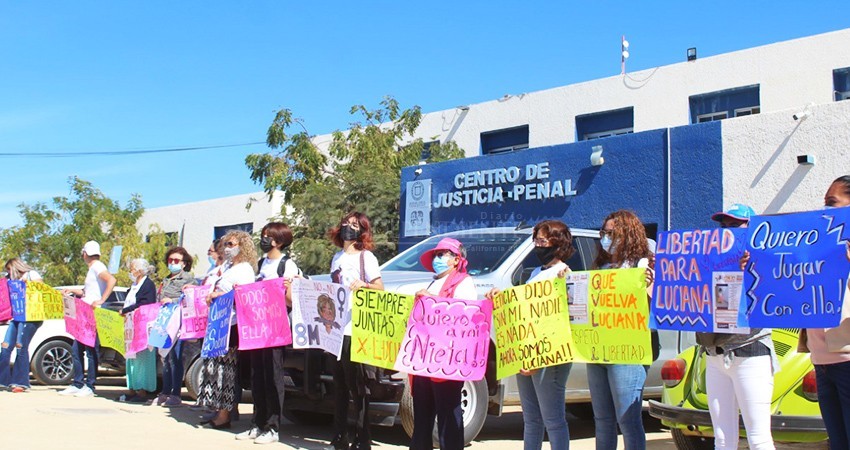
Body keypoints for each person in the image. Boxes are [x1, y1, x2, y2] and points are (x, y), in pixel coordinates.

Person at [485, 220, 574, 450]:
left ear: (557, 243)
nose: (537, 246)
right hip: (526, 353)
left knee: (553, 420)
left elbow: (560, 320)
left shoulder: (564, 274)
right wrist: (501, 296)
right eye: (536, 241)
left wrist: (538, 359)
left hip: (549, 356)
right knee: (531, 419)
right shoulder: (534, 273)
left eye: (542, 241)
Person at [700, 204, 776, 450]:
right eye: (723, 225)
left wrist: (748, 271)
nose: (727, 231)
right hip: (715, 354)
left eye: (735, 225)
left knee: (759, 436)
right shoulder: (711, 261)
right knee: (722, 437)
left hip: (749, 351)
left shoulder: (764, 261)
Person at [587, 211, 655, 450]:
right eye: (603, 233)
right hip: (598, 351)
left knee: (628, 420)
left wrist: (648, 286)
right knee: (602, 421)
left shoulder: (642, 265)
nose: (606, 238)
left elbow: (655, 309)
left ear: (627, 234)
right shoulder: (599, 267)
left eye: (612, 233)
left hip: (627, 353)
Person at [795, 176, 850, 448]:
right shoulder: (817, 248)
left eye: (832, 203)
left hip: (847, 360)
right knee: (837, 441)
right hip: (822, 361)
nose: (825, 210)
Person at [236, 222, 300, 445]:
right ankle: (257, 423)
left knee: (273, 377)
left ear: (279, 241)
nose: (264, 241)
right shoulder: (261, 263)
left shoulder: (287, 265)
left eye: (268, 237)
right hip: (256, 329)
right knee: (257, 376)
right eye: (263, 236)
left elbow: (292, 299)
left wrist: (283, 287)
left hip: (276, 330)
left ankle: (273, 427)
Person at [410, 237, 477, 450]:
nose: (437, 259)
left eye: (442, 255)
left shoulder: (464, 283)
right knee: (422, 417)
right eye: (436, 255)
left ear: (456, 260)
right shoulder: (433, 281)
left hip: (447, 362)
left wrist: (431, 301)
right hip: (425, 359)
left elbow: (463, 315)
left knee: (448, 417)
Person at [327, 212, 383, 450]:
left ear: (362, 232)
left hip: (356, 328)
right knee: (339, 385)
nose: (348, 228)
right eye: (346, 224)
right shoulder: (336, 257)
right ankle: (339, 435)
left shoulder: (366, 257)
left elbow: (380, 289)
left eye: (354, 225)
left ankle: (363, 437)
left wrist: (365, 285)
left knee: (358, 386)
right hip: (337, 329)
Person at [198, 230, 256, 430]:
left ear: (243, 246)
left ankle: (225, 415)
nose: (228, 248)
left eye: (231, 244)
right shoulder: (229, 268)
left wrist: (220, 296)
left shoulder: (245, 269)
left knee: (226, 371)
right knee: (215, 369)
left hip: (232, 326)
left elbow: (244, 296)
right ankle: (216, 410)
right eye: (226, 244)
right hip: (219, 325)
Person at [60, 241, 116, 397]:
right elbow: (86, 292)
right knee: (76, 349)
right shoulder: (93, 269)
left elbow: (111, 280)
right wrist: (71, 290)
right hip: (84, 313)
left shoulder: (98, 266)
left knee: (90, 350)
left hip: (92, 313)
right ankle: (78, 383)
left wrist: (102, 300)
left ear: (85, 253)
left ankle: (90, 385)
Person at [152, 247, 197, 407]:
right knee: (165, 358)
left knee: (176, 358)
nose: (172, 263)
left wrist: (174, 300)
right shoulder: (166, 279)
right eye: (170, 260)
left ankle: (175, 394)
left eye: (176, 261)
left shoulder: (188, 279)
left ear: (184, 263)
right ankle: (165, 392)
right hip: (163, 321)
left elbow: (191, 298)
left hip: (178, 321)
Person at [0, 258, 43, 392]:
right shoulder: (9, 280)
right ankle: (3, 380)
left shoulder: (31, 275)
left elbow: (42, 289)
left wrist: (28, 285)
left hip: (30, 317)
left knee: (21, 346)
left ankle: (21, 382)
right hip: (16, 316)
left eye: (9, 270)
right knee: (6, 346)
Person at [119, 258, 158, 403]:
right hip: (130, 327)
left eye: (132, 268)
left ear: (140, 270)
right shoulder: (133, 285)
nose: (131, 271)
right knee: (131, 359)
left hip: (142, 327)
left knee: (142, 359)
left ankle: (142, 390)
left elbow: (144, 303)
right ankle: (132, 388)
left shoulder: (148, 285)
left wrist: (126, 310)